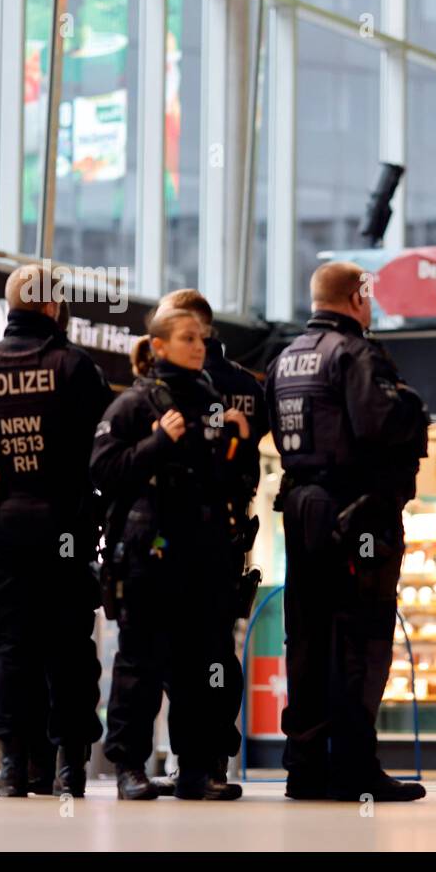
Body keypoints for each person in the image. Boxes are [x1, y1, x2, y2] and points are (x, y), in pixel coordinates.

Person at [0, 263, 113, 797]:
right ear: (51, 306)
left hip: (4, 531)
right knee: (67, 648)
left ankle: (14, 765)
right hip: (65, 530)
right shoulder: (76, 367)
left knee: (11, 650)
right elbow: (105, 456)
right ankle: (69, 767)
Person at [267, 261, 430, 802]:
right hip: (357, 515)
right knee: (361, 639)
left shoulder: (285, 359)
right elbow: (381, 424)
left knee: (308, 642)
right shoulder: (357, 354)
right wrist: (412, 407)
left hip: (301, 510)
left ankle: (306, 767)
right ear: (358, 298)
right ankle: (356, 768)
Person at [91, 306, 254, 800]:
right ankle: (129, 768)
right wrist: (158, 442)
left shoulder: (211, 401)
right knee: (139, 665)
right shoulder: (135, 404)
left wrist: (239, 444)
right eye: (187, 338)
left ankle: (196, 769)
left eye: (201, 338)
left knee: (202, 667)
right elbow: (103, 471)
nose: (198, 346)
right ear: (159, 346)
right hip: (148, 555)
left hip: (205, 557)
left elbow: (234, 482)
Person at [142, 291, 266, 795]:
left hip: (174, 535)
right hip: (228, 532)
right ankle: (212, 754)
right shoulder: (245, 386)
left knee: (174, 654)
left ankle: (188, 757)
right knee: (217, 653)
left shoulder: (175, 389)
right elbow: (252, 457)